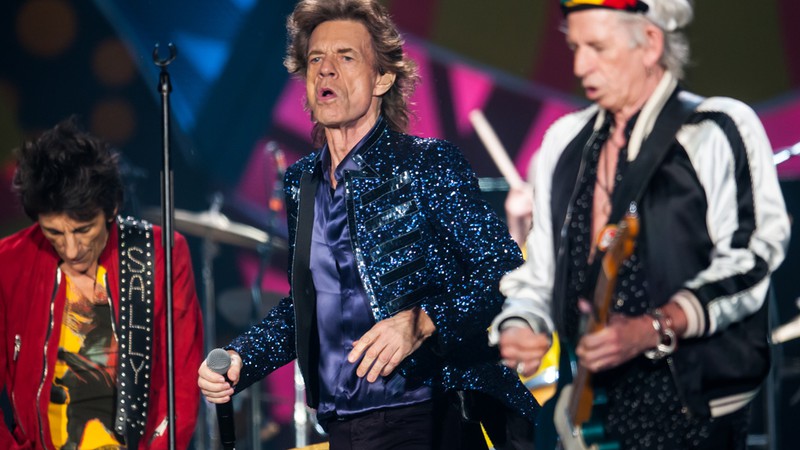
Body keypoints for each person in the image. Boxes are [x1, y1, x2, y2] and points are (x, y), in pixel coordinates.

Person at [197, 0, 537, 448]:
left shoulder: (425, 164)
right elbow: (310, 307)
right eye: (316, 59)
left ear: (383, 77)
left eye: (346, 57)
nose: (326, 71)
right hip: (343, 422)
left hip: (423, 409)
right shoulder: (303, 183)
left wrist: (423, 320)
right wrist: (244, 356)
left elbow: (502, 269)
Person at [489, 0, 791, 449]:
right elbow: (541, 276)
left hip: (699, 414)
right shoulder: (563, 143)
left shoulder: (716, 128)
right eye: (574, 46)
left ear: (650, 43)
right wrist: (520, 323)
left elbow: (753, 256)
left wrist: (653, 327)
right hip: (593, 412)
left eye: (597, 47)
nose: (579, 64)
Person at [0, 118, 204, 449]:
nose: (71, 248)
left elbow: (180, 380)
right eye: (53, 232)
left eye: (83, 230)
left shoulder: (159, 252)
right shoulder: (9, 262)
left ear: (110, 208)